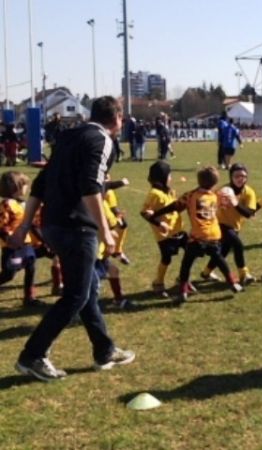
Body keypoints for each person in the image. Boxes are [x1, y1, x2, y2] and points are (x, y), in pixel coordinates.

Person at [10, 96, 135, 382]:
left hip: (53, 224)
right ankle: (33, 355)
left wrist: (25, 225)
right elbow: (90, 186)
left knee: (87, 287)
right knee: (76, 294)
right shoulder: (103, 140)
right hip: (76, 226)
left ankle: (104, 350)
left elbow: (40, 184)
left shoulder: (68, 136)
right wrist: (105, 230)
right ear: (117, 118)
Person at [144, 166, 243, 305]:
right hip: (214, 236)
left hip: (197, 237)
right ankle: (232, 282)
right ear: (215, 183)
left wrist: (156, 213)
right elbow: (224, 205)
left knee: (186, 264)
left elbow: (175, 206)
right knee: (220, 259)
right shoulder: (216, 195)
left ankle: (183, 290)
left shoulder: (190, 196)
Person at [200, 163, 257, 285]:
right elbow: (209, 204)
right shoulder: (222, 191)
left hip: (235, 226)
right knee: (238, 245)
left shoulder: (249, 192)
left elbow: (250, 213)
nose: (240, 178)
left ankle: (206, 272)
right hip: (220, 225)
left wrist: (235, 203)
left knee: (223, 252)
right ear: (231, 176)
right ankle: (244, 274)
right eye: (237, 176)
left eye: (243, 176)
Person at [140, 161, 186, 298]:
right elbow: (144, 213)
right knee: (167, 258)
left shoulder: (168, 190)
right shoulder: (154, 194)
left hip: (178, 230)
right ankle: (158, 283)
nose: (171, 178)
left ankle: (182, 279)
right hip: (165, 235)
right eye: (169, 175)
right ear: (162, 176)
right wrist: (159, 224)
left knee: (192, 251)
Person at [0, 171, 44, 307]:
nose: (27, 187)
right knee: (9, 273)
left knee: (31, 267)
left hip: (27, 244)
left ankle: (29, 297)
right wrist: (9, 239)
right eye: (24, 184)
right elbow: (2, 225)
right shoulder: (7, 205)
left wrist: (42, 240)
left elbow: (33, 225)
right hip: (12, 247)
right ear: (15, 187)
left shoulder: (24, 204)